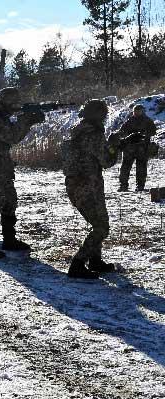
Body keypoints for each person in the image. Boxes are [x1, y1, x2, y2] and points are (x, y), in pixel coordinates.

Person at [63, 99, 142, 278]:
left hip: (80, 185)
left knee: (97, 224)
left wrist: (119, 143)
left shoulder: (81, 131)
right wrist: (116, 146)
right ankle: (77, 263)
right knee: (101, 227)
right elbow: (107, 160)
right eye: (104, 114)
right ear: (98, 115)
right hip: (87, 186)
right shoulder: (93, 134)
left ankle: (95, 260)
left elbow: (98, 153)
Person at [0, 87, 44, 259]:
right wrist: (27, 120)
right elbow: (12, 136)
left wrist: (28, 120)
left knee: (10, 201)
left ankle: (9, 239)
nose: (15, 107)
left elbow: (12, 134)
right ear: (6, 102)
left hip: (1, 164)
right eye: (14, 104)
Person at [118, 104, 156, 192]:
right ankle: (123, 185)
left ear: (142, 111)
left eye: (138, 111)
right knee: (125, 167)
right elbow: (122, 132)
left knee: (141, 167)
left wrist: (144, 134)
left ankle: (140, 186)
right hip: (129, 149)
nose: (136, 112)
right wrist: (129, 136)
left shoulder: (148, 121)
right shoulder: (129, 121)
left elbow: (153, 131)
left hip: (142, 148)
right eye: (135, 111)